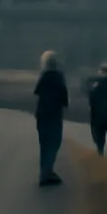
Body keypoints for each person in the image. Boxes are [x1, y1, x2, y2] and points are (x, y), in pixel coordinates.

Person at [33, 51, 69, 186]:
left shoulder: (43, 77)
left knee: (44, 144)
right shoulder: (60, 79)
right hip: (54, 116)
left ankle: (44, 172)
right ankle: (47, 171)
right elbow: (65, 100)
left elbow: (37, 93)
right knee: (54, 143)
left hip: (42, 115)